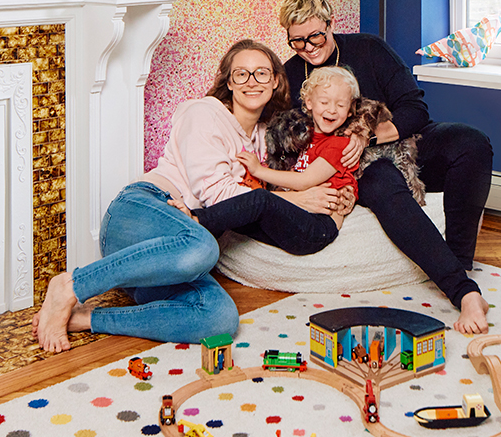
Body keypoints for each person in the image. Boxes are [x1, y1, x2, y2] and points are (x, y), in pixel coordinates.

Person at [34, 40, 347, 352]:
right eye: (242, 74)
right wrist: (296, 200)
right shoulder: (202, 113)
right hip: (141, 212)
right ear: (228, 81)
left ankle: (88, 318)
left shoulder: (268, 136)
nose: (252, 82)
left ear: (276, 80)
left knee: (220, 319)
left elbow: (321, 144)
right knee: (203, 247)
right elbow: (221, 197)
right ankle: (71, 286)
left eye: (262, 73)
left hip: (173, 256)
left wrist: (349, 166)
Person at [278, 0, 495, 334]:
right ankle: (463, 292)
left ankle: (458, 263)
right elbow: (288, 138)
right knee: (381, 181)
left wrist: (368, 135)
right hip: (353, 165)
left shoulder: (369, 49)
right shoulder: (290, 75)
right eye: (297, 41)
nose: (308, 47)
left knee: (473, 143)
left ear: (330, 23)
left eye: (315, 36)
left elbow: (415, 108)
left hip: (399, 141)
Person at [237, 66, 361, 230]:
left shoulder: (339, 144)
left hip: (321, 223)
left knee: (257, 202)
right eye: (324, 102)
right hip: (304, 209)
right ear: (309, 102)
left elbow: (304, 181)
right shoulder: (305, 136)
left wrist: (258, 171)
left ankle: (199, 220)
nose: (332, 110)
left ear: (350, 110)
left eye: (340, 105)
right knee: (246, 211)